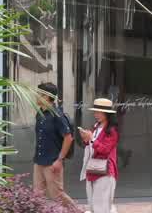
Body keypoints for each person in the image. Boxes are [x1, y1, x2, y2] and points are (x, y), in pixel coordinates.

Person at [32, 83, 78, 211]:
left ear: (46, 97)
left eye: (38, 93)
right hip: (39, 161)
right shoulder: (39, 113)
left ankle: (76, 211)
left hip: (52, 162)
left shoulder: (57, 116)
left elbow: (68, 138)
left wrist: (59, 159)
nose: (36, 96)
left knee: (57, 195)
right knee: (37, 195)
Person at [78, 97, 120, 213]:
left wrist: (91, 139)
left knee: (101, 206)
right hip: (93, 169)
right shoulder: (96, 126)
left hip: (105, 171)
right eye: (95, 111)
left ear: (106, 113)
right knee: (93, 205)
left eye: (98, 112)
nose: (95, 114)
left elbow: (105, 150)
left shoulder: (112, 131)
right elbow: (92, 145)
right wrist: (86, 139)